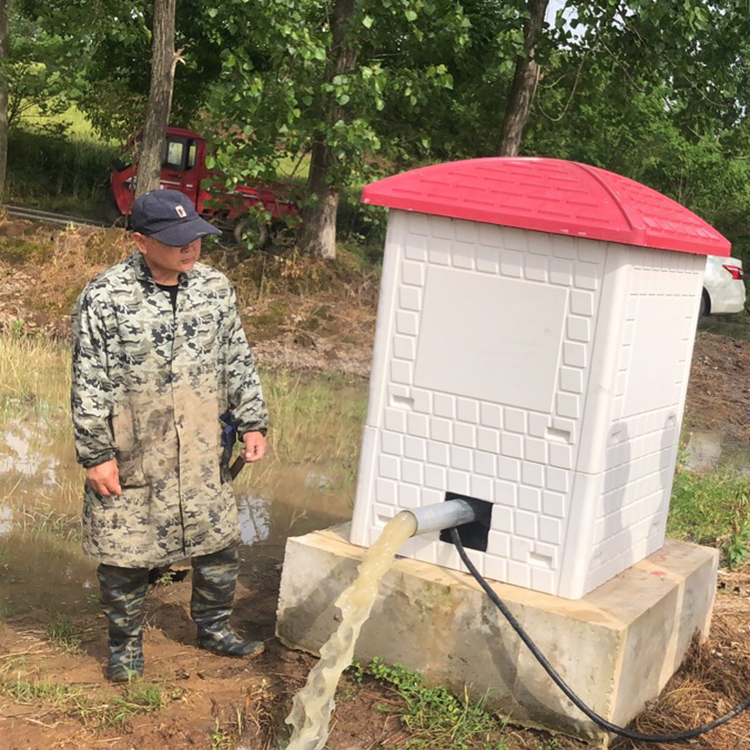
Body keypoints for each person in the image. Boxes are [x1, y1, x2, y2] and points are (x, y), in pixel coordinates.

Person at [71, 189, 268, 682]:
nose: (191, 248)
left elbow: (236, 358)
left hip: (202, 448)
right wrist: (96, 455)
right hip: (135, 448)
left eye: (196, 237)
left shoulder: (216, 289)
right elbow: (88, 382)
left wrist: (252, 420)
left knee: (218, 544)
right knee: (126, 554)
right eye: (177, 240)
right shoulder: (105, 297)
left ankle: (214, 628)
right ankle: (125, 646)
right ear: (140, 240)